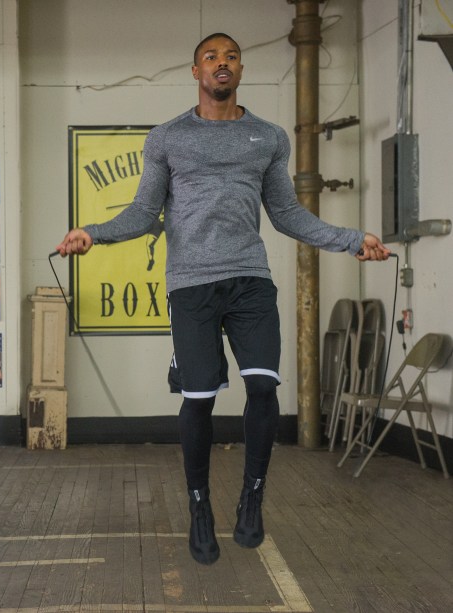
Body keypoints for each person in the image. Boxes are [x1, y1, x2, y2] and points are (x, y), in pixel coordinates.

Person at [55, 33, 390, 567]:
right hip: (191, 285)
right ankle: (200, 507)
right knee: (200, 398)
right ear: (195, 72)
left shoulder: (267, 137)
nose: (222, 64)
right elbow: (144, 213)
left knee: (262, 387)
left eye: (231, 57)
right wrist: (92, 233)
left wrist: (353, 240)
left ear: (239, 70)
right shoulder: (168, 138)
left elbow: (287, 214)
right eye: (211, 57)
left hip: (250, 280)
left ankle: (251, 498)